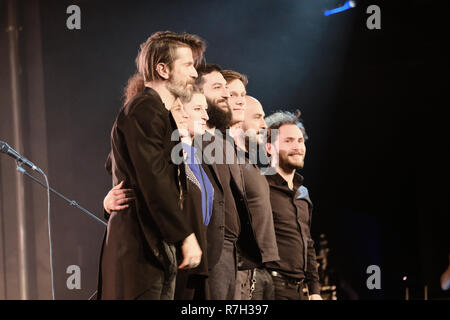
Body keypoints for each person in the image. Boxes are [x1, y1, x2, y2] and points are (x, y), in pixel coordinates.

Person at [97, 31, 206, 300]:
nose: (194, 73)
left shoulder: (157, 113)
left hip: (154, 244)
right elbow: (154, 179)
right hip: (140, 248)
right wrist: (185, 236)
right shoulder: (144, 108)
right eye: (188, 65)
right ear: (163, 69)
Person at [194, 63, 261, 300]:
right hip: (210, 247)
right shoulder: (189, 135)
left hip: (232, 251)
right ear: (197, 93)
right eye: (218, 87)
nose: (226, 94)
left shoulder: (224, 143)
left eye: (227, 88)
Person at [220, 70, 280, 300]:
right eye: (258, 117)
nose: (264, 125)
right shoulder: (221, 154)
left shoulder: (249, 162)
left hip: (256, 269)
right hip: (235, 267)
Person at [264, 111, 322, 300]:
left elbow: (308, 242)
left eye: (300, 140)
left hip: (299, 290)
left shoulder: (302, 192)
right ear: (269, 147)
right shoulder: (259, 186)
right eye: (289, 141)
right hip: (269, 286)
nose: (297, 147)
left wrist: (314, 290)